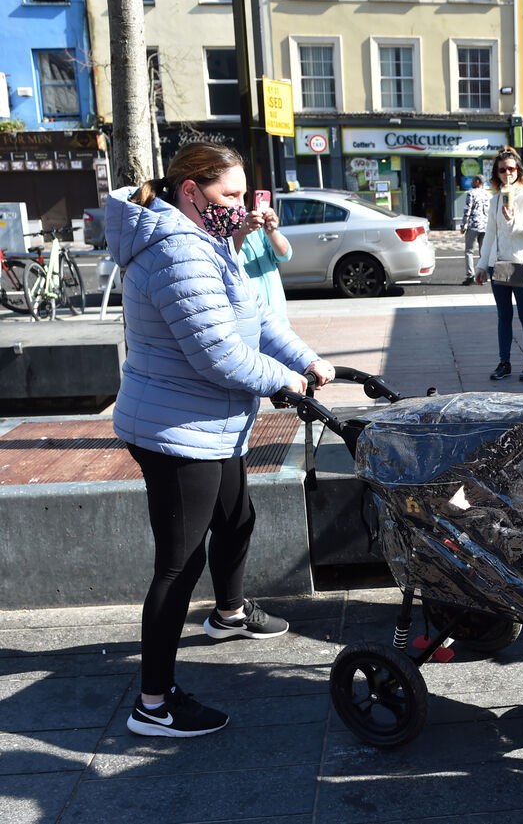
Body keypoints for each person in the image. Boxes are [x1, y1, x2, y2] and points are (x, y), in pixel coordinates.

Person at [106, 142, 335, 738]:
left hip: (211, 421)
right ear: (191, 192)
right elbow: (219, 355)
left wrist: (307, 359)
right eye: (229, 195)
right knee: (177, 566)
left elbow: (255, 320)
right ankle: (152, 704)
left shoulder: (210, 245)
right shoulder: (178, 252)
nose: (240, 206)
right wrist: (285, 380)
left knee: (236, 517)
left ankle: (228, 615)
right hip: (176, 430)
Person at [475, 148, 523, 381]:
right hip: (499, 264)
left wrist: (517, 223)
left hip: (521, 264)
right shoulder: (495, 200)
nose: (507, 173)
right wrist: (482, 265)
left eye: (511, 169)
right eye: (502, 169)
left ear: (519, 170)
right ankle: (504, 362)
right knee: (503, 316)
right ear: (496, 172)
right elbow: (490, 234)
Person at [236, 202, 292, 322]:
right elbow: (227, 260)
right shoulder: (219, 229)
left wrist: (271, 232)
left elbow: (285, 255)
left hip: (277, 316)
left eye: (242, 196)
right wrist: (241, 232)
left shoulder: (255, 222)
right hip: (249, 319)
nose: (239, 202)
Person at [462, 174, 490, 286]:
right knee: (483, 252)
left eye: (473, 180)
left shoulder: (471, 193)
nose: (472, 182)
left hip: (474, 225)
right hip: (486, 226)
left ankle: (470, 276)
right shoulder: (488, 194)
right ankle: (484, 276)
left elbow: (467, 210)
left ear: (477, 181)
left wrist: (463, 225)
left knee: (469, 251)